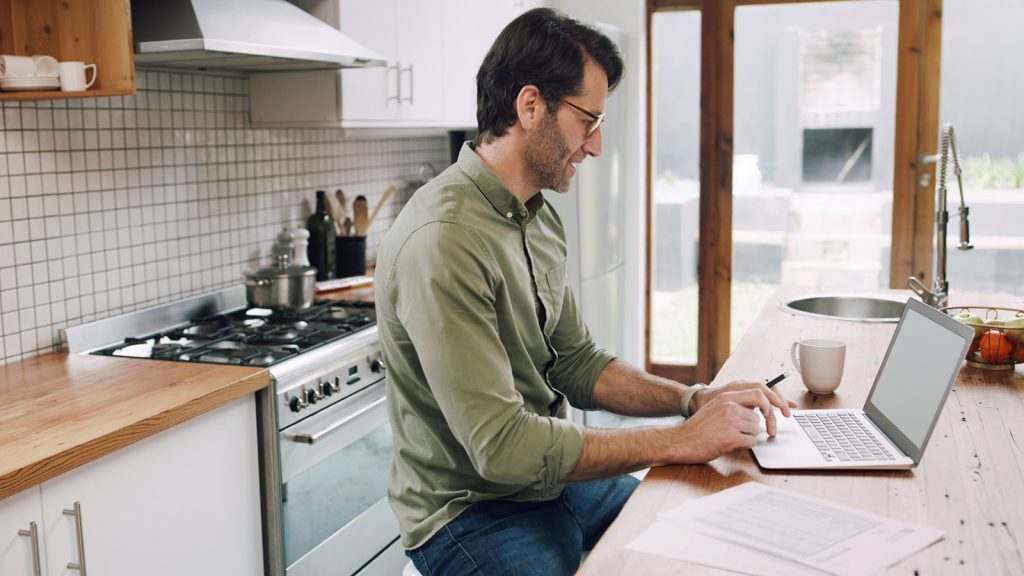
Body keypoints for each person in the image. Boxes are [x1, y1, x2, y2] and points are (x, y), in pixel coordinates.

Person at [374, 8, 793, 575]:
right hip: (472, 513)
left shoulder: (537, 217)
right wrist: (678, 440)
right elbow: (500, 447)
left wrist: (693, 398)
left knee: (710, 543)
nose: (595, 146)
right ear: (529, 106)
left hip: (552, 485)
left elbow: (577, 363)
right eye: (588, 121)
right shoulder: (443, 241)